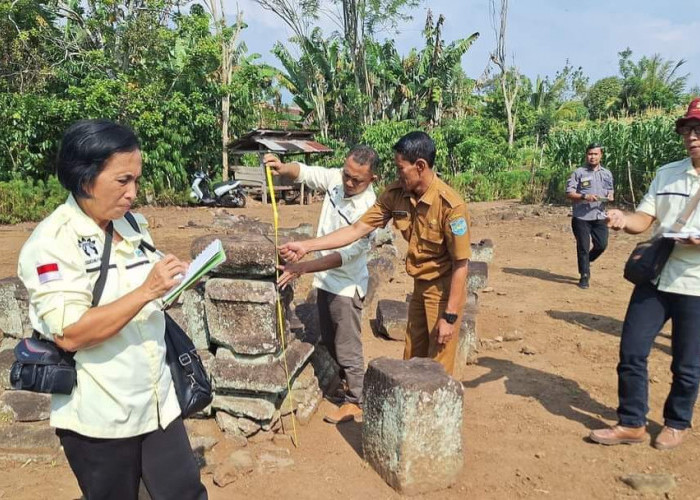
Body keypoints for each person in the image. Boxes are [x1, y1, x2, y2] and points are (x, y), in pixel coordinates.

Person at [17, 120, 207, 499]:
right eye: (122, 181)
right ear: (85, 178)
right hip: (101, 415)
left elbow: (142, 294)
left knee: (186, 493)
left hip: (156, 400)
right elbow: (69, 333)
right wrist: (146, 290)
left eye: (136, 180)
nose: (132, 192)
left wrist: (170, 281)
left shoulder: (131, 223)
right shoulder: (53, 243)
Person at [279, 131, 471, 376]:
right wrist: (307, 246)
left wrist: (450, 316)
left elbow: (461, 265)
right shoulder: (395, 195)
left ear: (420, 166)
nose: (396, 174)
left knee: (438, 366)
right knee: (411, 358)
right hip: (420, 287)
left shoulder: (450, 207)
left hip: (444, 292)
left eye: (401, 168)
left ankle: (437, 414)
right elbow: (356, 229)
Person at [589, 98, 700, 451]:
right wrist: (624, 221)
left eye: (698, 129)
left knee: (687, 363)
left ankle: (676, 422)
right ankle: (632, 422)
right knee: (632, 350)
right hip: (657, 276)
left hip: (696, 284)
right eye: (687, 129)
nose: (692, 136)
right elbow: (645, 219)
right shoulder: (667, 172)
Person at [264, 146, 378, 424]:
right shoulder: (336, 182)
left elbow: (342, 255)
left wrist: (301, 266)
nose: (349, 183)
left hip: (346, 285)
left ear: (372, 179)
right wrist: (282, 168)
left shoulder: (370, 210)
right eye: (347, 175)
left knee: (347, 345)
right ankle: (341, 386)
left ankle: (356, 400)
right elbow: (304, 172)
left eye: (357, 180)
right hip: (326, 281)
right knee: (329, 338)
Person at [565, 143, 614, 289]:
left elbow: (610, 190)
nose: (592, 157)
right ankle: (584, 275)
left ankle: (587, 261)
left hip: (599, 215)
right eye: (590, 154)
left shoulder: (607, 173)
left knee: (601, 245)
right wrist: (585, 196)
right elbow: (569, 193)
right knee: (583, 247)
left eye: (595, 154)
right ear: (586, 155)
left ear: (601, 155)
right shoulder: (578, 173)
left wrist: (610, 196)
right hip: (581, 217)